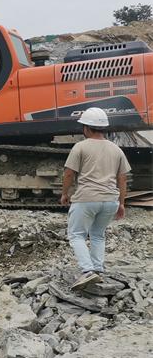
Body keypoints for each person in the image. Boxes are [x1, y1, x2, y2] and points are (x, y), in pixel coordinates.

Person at [60, 107, 131, 290]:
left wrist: (65, 193)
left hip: (87, 198)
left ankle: (87, 271)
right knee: (98, 235)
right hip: (110, 200)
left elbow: (69, 174)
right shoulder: (116, 149)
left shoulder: (80, 147)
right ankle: (97, 269)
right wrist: (121, 203)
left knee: (76, 235)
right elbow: (122, 178)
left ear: (87, 128)